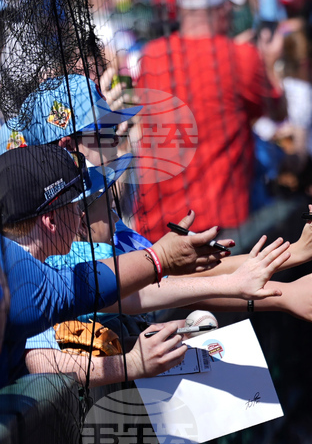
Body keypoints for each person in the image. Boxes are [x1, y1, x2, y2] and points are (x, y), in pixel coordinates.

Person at [23, 160, 294, 386]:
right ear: (77, 222)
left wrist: (158, 337)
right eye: (109, 207)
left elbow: (154, 289)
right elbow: (146, 291)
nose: (116, 216)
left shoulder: (95, 247)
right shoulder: (76, 259)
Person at [0, 144, 226, 386]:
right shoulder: (26, 279)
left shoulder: (21, 263)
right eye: (75, 206)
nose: (80, 215)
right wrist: (133, 364)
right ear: (52, 220)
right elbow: (41, 362)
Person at [135, 0, 285, 239]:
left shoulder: (151, 55)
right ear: (221, 9)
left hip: (155, 224)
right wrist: (269, 64)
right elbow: (277, 112)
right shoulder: (240, 57)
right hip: (216, 223)